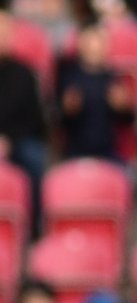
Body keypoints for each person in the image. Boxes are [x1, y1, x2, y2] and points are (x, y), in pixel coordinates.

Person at [57, 23, 135, 163]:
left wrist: (123, 108)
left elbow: (128, 121)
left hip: (109, 151)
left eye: (99, 42)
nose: (94, 47)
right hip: (75, 151)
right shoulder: (67, 76)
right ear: (80, 45)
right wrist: (69, 110)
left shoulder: (115, 77)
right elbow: (57, 121)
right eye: (89, 42)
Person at [0, 12, 49, 191]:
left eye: (5, 32)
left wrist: (8, 139)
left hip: (18, 140)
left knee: (33, 156)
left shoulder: (24, 73)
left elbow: (35, 121)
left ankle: (34, 218)